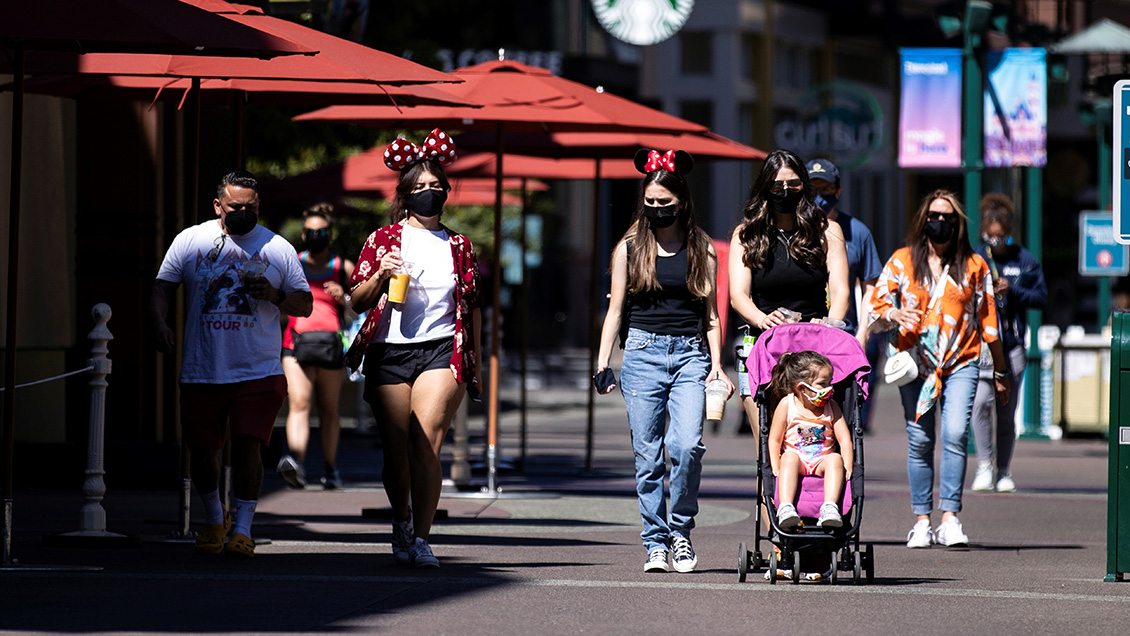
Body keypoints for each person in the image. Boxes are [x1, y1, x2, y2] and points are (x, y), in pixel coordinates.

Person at [151, 170, 313, 558]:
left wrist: (275, 295)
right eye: (235, 206)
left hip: (257, 368)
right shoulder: (190, 241)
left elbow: (305, 304)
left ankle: (242, 529)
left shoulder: (278, 248)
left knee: (247, 447)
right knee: (202, 452)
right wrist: (158, 321)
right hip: (202, 367)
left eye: (251, 207)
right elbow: (162, 287)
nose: (243, 212)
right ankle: (213, 518)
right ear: (217, 205)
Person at [345, 129, 482, 569]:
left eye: (436, 185)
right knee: (395, 451)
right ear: (404, 194)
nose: (429, 192)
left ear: (447, 190)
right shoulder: (382, 239)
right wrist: (380, 275)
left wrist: (475, 365)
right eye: (420, 186)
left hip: (441, 350)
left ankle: (422, 538)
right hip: (389, 351)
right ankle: (401, 519)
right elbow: (357, 301)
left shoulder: (459, 245)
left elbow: (471, 308)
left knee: (425, 442)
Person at [595, 148, 733, 574]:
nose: (656, 208)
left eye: (664, 202)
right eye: (650, 202)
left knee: (687, 446)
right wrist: (602, 363)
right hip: (641, 354)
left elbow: (710, 315)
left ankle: (681, 532)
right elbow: (615, 310)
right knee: (648, 457)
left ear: (682, 201)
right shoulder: (630, 248)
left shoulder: (701, 248)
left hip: (691, 354)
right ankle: (655, 542)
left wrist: (716, 365)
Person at [869, 189, 1010, 549]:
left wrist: (1001, 371)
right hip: (915, 365)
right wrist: (894, 313)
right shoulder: (902, 261)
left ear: (958, 224)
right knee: (920, 440)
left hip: (961, 361)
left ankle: (950, 518)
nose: (941, 222)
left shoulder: (975, 266)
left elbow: (989, 321)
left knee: (955, 434)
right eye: (934, 216)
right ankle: (921, 520)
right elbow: (876, 305)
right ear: (923, 220)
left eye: (948, 218)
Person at [729, 149, 850, 434]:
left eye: (793, 184)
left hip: (815, 347)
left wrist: (829, 326)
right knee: (767, 443)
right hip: (763, 346)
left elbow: (841, 290)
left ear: (804, 186)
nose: (785, 191)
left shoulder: (827, 231)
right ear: (765, 188)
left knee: (812, 439)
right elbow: (738, 295)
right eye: (777, 185)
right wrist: (762, 319)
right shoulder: (747, 235)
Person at [970, 194, 1047, 493]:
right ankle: (984, 465)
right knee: (980, 403)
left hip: (1012, 345)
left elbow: (1040, 297)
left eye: (1001, 236)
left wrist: (1012, 290)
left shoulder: (1024, 259)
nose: (997, 241)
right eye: (991, 236)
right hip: (983, 346)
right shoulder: (976, 258)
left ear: (1009, 231)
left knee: (1006, 409)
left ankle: (1003, 470)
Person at [276, 204, 356, 490]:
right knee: (298, 403)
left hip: (331, 345)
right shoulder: (292, 263)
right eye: (310, 232)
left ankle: (330, 468)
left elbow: (360, 308)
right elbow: (277, 303)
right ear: (302, 234)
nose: (315, 236)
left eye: (320, 231)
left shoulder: (343, 267)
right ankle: (295, 464)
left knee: (329, 409)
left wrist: (344, 296)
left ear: (330, 234)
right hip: (295, 344)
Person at [806, 158, 884, 432]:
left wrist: (864, 332)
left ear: (838, 191)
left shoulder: (857, 232)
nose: (818, 196)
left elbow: (871, 286)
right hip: (804, 333)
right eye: (812, 189)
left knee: (844, 417)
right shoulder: (793, 230)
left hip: (844, 335)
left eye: (825, 189)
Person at [768, 351, 853, 530]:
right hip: (797, 461)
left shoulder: (831, 407)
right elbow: (775, 439)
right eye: (823, 384)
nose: (829, 388)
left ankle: (829, 508)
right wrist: (775, 465)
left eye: (830, 382)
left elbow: (844, 439)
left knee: (835, 458)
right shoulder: (787, 404)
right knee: (789, 457)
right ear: (802, 388)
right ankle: (786, 507)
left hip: (822, 461)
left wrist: (848, 465)